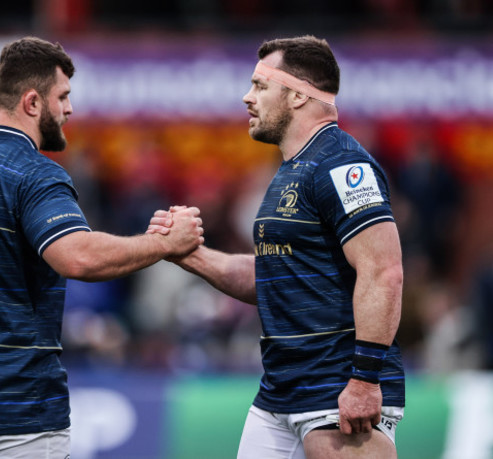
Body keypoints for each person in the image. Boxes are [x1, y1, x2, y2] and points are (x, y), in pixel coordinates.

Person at [0, 36, 203, 459]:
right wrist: (163, 243)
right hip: (14, 410)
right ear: (32, 102)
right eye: (63, 97)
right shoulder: (34, 174)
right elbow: (77, 256)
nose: (69, 110)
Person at [149, 35, 405, 458]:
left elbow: (383, 272)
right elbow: (271, 277)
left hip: (335, 388)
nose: (247, 98)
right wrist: (188, 253)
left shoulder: (342, 165)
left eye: (259, 86)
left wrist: (364, 381)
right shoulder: (292, 170)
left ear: (299, 96)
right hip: (280, 392)